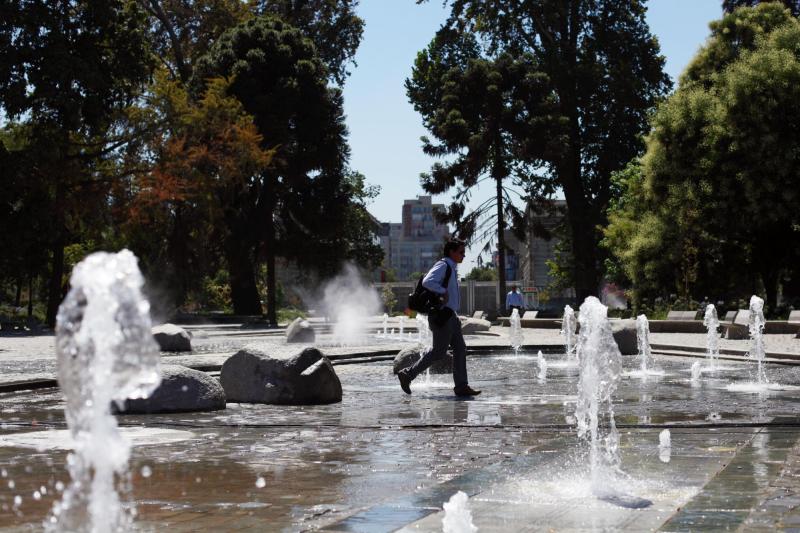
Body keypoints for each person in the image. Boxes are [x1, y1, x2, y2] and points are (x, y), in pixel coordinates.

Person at [398, 239, 481, 397]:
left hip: (451, 315)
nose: (464, 255)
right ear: (451, 252)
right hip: (441, 315)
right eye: (461, 252)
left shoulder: (452, 267)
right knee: (438, 352)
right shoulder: (443, 265)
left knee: (460, 349)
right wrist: (443, 291)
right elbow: (427, 281)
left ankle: (461, 386)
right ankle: (407, 374)